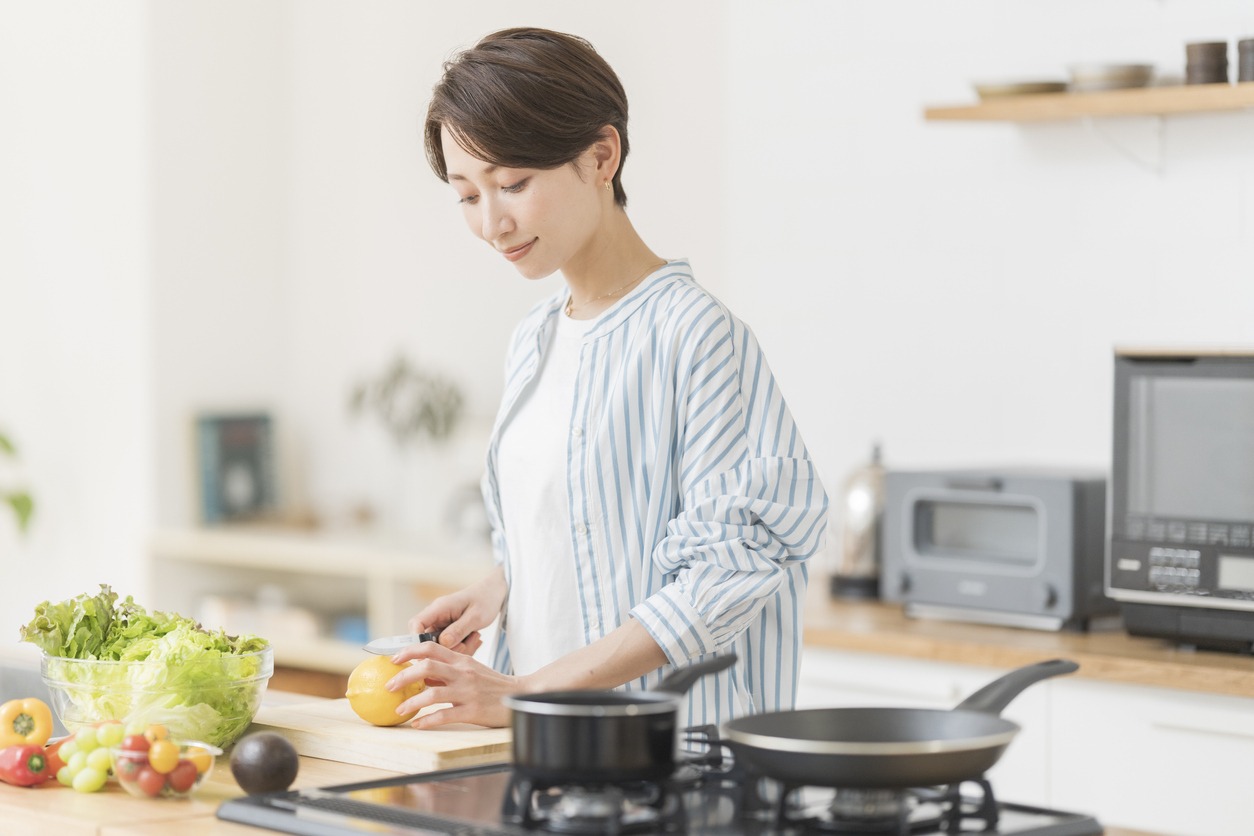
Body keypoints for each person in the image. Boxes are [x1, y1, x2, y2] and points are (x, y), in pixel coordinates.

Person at [387, 27, 828, 730]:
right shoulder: (535, 339)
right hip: (552, 755)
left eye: (513, 184)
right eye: (468, 196)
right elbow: (594, 526)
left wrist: (526, 691)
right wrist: (505, 583)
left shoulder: (696, 336)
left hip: (673, 764)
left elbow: (722, 578)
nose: (492, 224)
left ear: (601, 155)